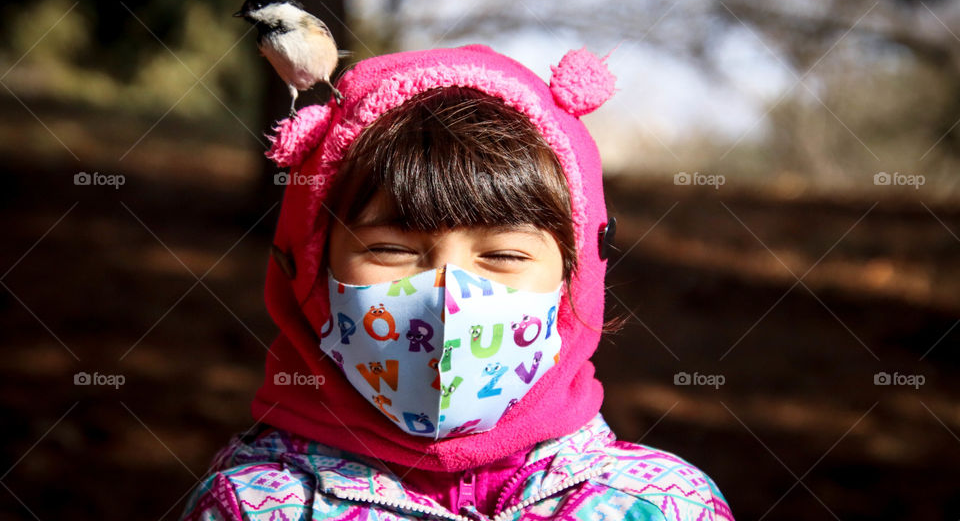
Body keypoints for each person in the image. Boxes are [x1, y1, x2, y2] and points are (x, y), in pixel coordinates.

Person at [179, 44, 735, 520]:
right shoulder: (255, 505)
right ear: (311, 272)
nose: (450, 296)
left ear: (575, 278)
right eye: (392, 250)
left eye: (504, 255)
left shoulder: (662, 506)